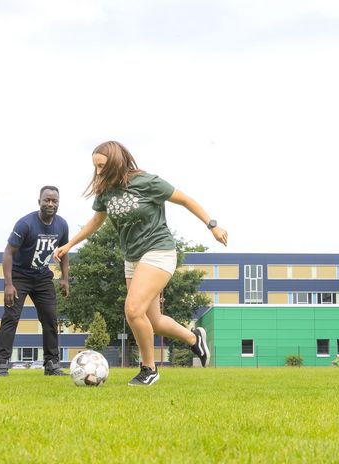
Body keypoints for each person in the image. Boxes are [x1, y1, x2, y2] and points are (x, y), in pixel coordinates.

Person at [53, 141, 228, 386]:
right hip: (132, 258)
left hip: (159, 251)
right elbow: (97, 220)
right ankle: (194, 339)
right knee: (153, 321)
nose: (99, 172)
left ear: (116, 161)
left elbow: (186, 200)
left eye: (102, 166)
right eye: (96, 167)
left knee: (133, 310)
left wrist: (213, 225)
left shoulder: (147, 182)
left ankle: (149, 369)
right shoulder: (106, 190)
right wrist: (70, 244)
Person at [0, 186, 70, 377]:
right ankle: (2, 364)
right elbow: (8, 253)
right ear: (39, 201)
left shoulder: (62, 225)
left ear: (58, 203)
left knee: (50, 319)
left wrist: (64, 278)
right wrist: (9, 284)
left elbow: (64, 251)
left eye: (54, 201)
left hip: (42, 276)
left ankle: (52, 364)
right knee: (11, 318)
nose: (50, 204)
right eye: (47, 200)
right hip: (19, 275)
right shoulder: (25, 224)